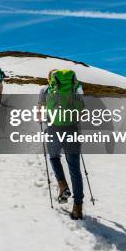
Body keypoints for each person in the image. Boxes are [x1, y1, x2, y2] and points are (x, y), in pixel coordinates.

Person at [38, 69, 85, 220]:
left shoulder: (45, 89)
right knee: (75, 169)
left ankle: (62, 185)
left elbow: (39, 114)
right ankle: (77, 206)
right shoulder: (75, 87)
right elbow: (82, 109)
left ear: (50, 79)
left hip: (53, 129)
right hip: (72, 129)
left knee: (54, 157)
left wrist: (42, 119)